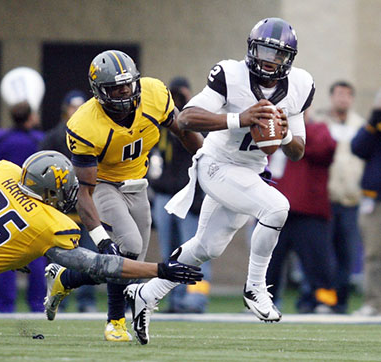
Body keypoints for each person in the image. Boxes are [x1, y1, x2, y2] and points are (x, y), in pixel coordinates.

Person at [124, 17, 315, 345]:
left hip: (250, 171)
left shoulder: (300, 84)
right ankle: (255, 287)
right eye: (265, 52)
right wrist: (239, 118)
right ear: (252, 49)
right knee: (276, 208)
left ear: (290, 59)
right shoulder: (230, 74)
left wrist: (282, 136)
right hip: (216, 164)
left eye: (278, 55)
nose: (270, 61)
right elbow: (186, 118)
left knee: (206, 247)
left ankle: (145, 293)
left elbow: (298, 150)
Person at [0, 150, 202, 330]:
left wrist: (1, 245)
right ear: (50, 190)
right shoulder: (48, 224)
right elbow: (100, 265)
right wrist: (159, 270)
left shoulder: (6, 173)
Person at [44, 50, 203, 342]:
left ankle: (65, 278)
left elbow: (182, 129)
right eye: (115, 87)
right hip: (103, 185)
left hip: (138, 184)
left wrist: (206, 158)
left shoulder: (154, 94)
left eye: (127, 84)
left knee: (129, 263)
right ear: (99, 91)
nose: (124, 91)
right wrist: (102, 240)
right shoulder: (85, 125)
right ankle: (115, 322)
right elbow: (85, 192)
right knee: (126, 245)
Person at [148, 77, 210, 313]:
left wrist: (185, 109)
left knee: (194, 252)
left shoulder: (195, 120)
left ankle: (195, 300)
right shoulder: (160, 126)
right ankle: (175, 300)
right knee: (169, 254)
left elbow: (201, 150)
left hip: (190, 197)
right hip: (164, 197)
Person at [266, 109, 338, 313]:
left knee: (318, 261)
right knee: (267, 259)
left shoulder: (317, 129)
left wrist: (297, 127)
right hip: (274, 208)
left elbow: (326, 149)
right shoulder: (270, 132)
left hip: (308, 210)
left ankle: (324, 301)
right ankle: (263, 299)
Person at [40, 90, 98, 313]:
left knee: (89, 257)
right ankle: (57, 299)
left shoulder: (93, 135)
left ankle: (86, 301)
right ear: (65, 110)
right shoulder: (53, 137)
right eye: (72, 107)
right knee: (58, 257)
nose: (75, 111)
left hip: (86, 205)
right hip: (59, 209)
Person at [313, 81, 365, 313]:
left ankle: (340, 302)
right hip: (325, 197)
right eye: (339, 94)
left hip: (351, 199)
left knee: (346, 254)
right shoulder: (320, 123)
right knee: (323, 254)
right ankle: (322, 299)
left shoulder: (361, 125)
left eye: (348, 95)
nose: (343, 99)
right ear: (332, 97)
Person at [0, 100, 46, 313]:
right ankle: (37, 304)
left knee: (5, 256)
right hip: (32, 203)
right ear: (30, 117)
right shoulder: (38, 140)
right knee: (36, 255)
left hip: (6, 202)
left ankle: (5, 305)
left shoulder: (0, 138)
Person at [351, 88, 381, 316]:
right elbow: (358, 148)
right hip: (375, 201)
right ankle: (374, 302)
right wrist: (374, 118)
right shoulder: (376, 125)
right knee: (373, 254)